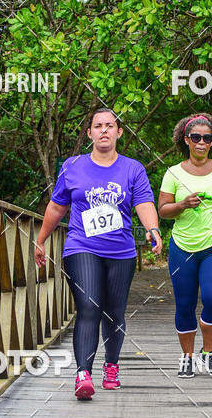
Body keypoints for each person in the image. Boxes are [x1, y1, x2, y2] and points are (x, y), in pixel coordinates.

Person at [35, 108, 162, 400]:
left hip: (121, 251)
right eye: (97, 126)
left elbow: (143, 202)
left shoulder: (133, 168)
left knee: (114, 312)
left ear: (119, 132)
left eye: (109, 126)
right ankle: (83, 374)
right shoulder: (73, 165)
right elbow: (57, 207)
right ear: (90, 133)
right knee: (89, 307)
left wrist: (153, 229)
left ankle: (112, 366)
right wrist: (41, 240)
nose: (103, 130)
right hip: (81, 246)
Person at [158, 113, 212, 378]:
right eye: (196, 137)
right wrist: (182, 205)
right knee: (184, 304)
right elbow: (162, 210)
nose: (202, 142)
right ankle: (187, 357)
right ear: (186, 140)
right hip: (182, 247)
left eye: (207, 138)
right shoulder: (173, 173)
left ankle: (208, 352)